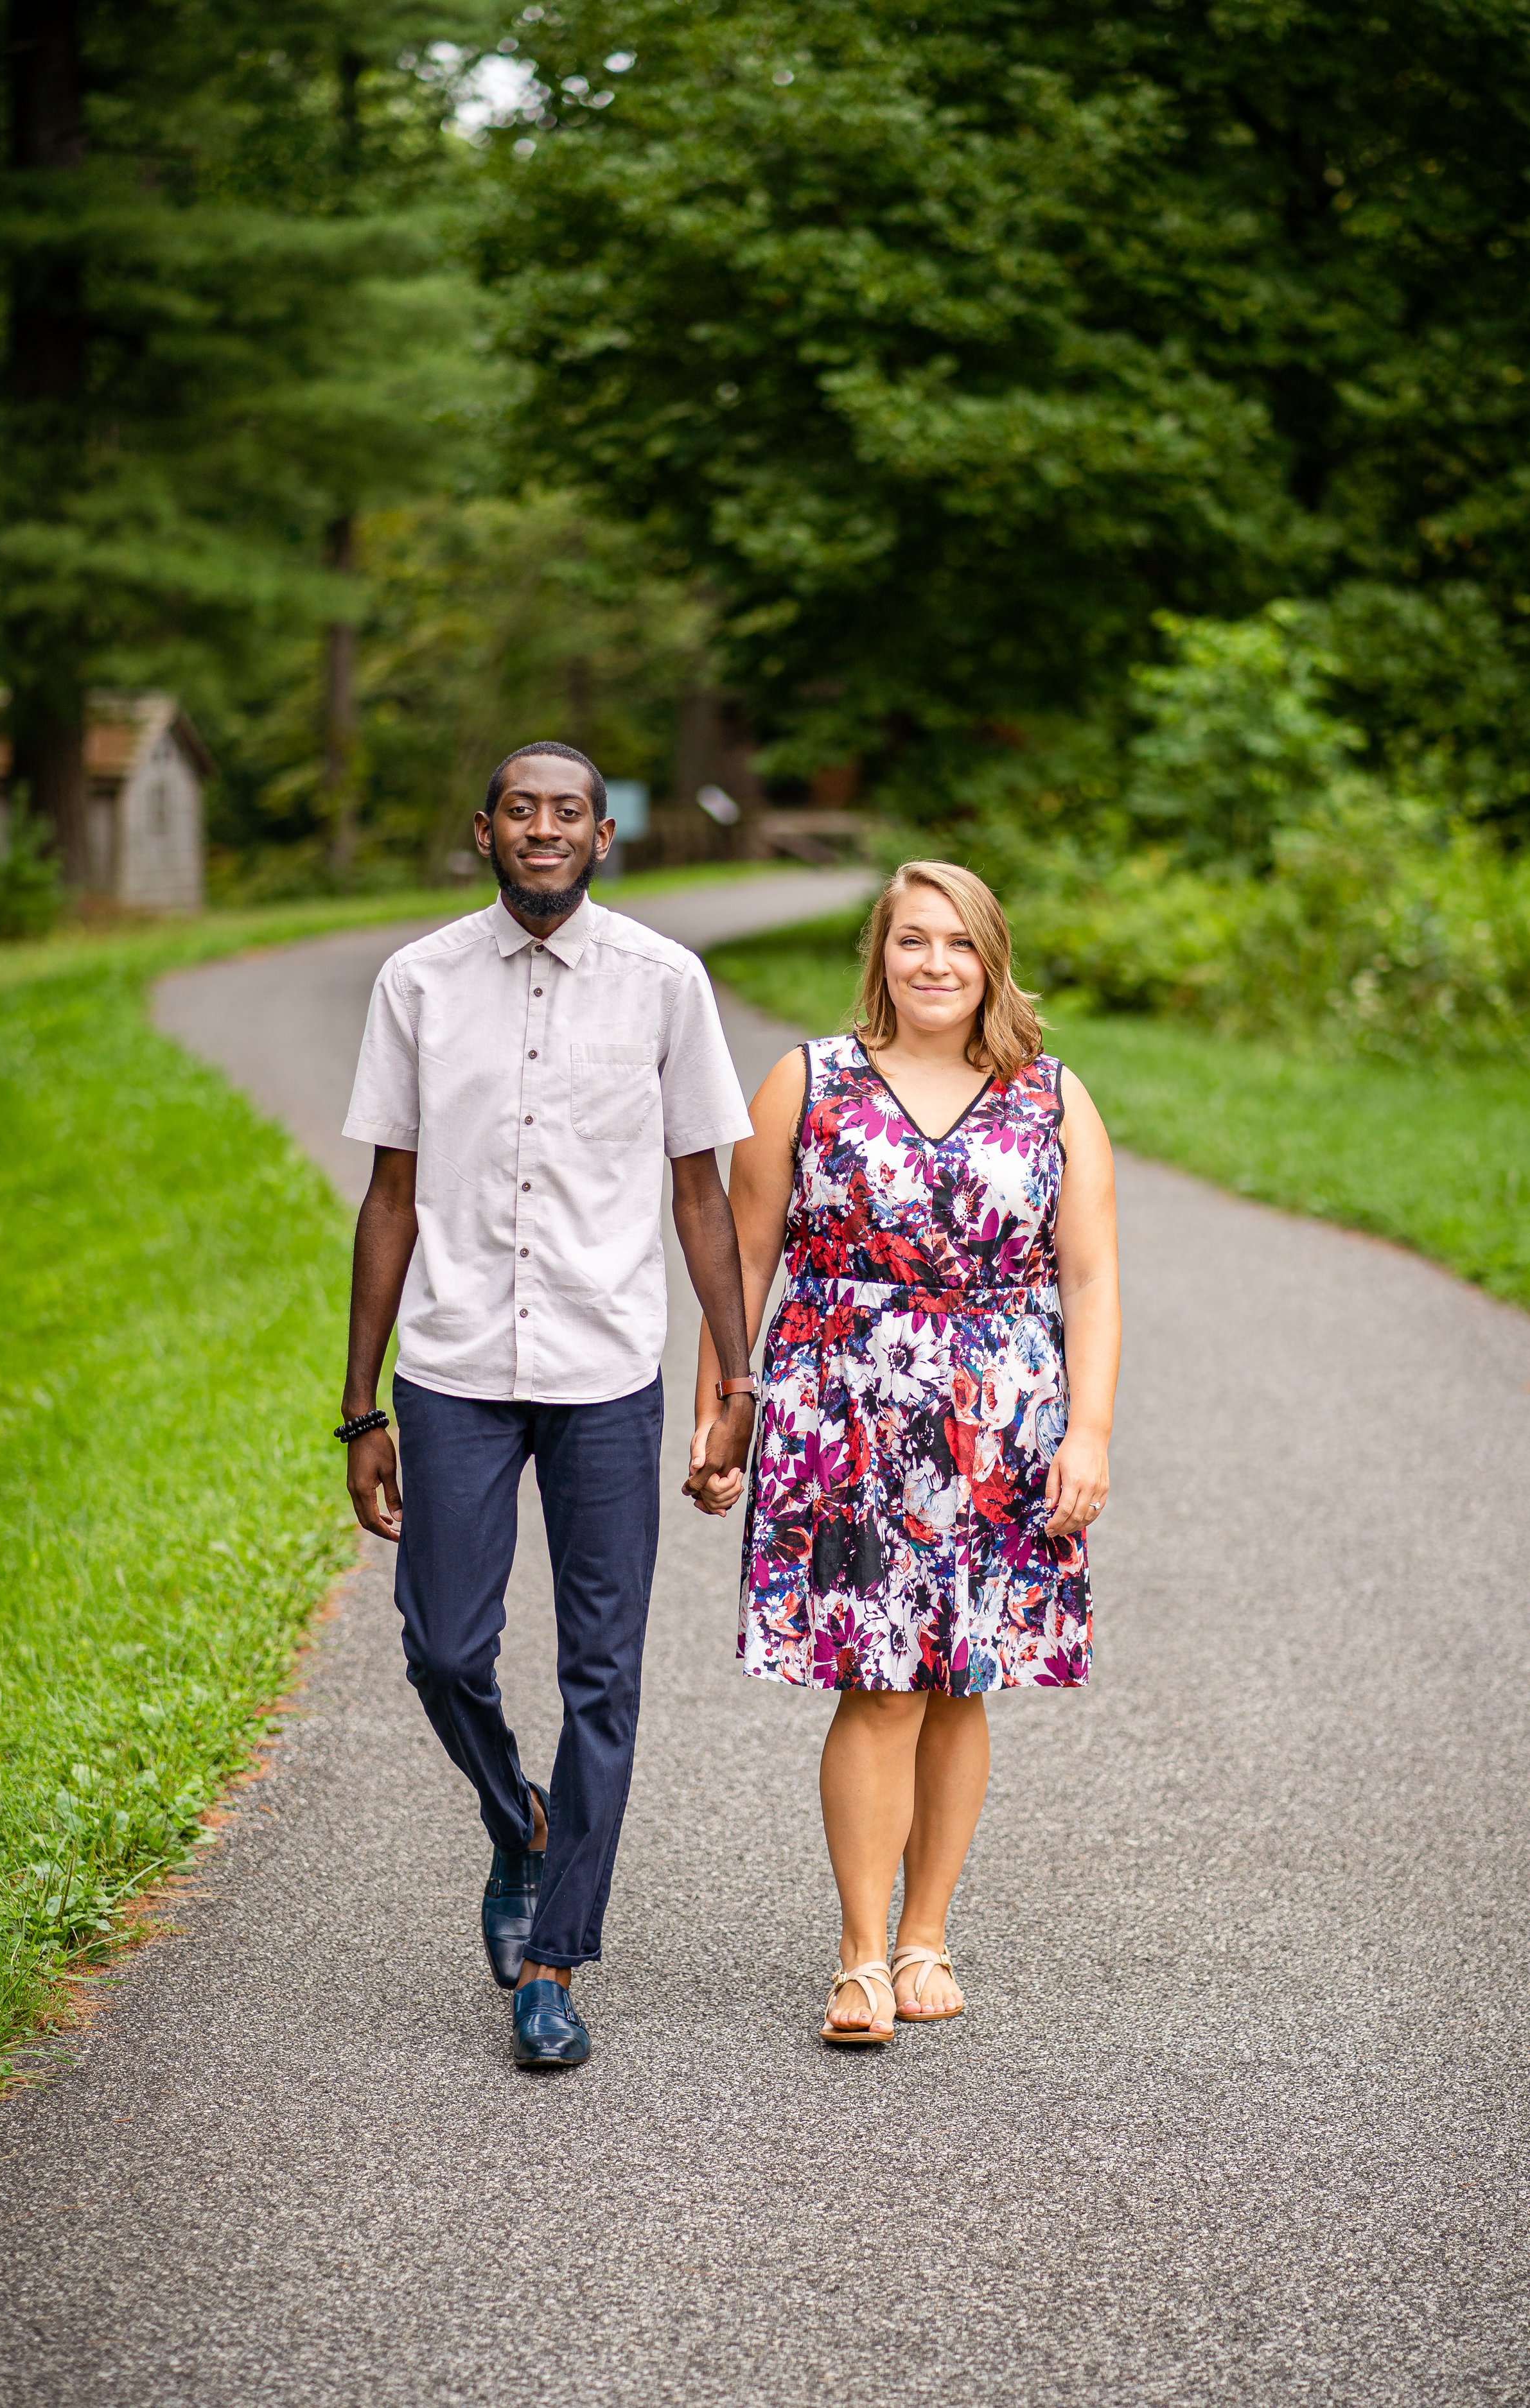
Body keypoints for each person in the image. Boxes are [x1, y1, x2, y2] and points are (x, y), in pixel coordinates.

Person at [338, 740, 757, 2070]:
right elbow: (390, 1197)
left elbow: (703, 1194)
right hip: (455, 1364)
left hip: (603, 1373)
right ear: (484, 832)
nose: (543, 829)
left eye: (566, 812)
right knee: (442, 1647)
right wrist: (360, 1410)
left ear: (602, 836)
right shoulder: (416, 982)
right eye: (521, 810)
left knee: (603, 1674)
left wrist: (736, 1381)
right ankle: (515, 1817)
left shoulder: (662, 986)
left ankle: (556, 1960)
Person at [691, 860, 1120, 2043]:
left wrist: (1087, 1432)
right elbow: (744, 1254)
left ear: (993, 960)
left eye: (960, 944)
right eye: (912, 940)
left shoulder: (1052, 1096)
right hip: (844, 1417)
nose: (935, 964)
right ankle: (863, 1954)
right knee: (876, 1682)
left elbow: (1089, 1277)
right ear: (879, 952)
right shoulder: (808, 1081)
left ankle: (930, 1930)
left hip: (1004, 1423)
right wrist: (721, 1407)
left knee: (960, 1680)